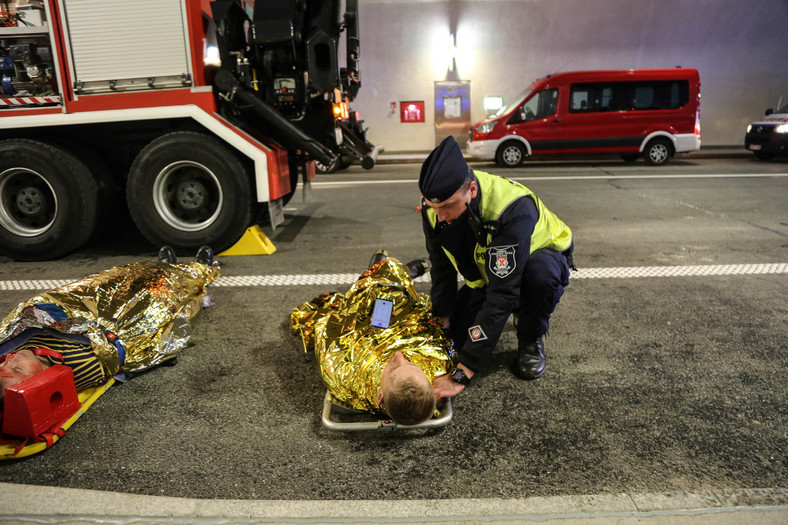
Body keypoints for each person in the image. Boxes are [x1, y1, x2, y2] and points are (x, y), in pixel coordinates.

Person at [419, 136, 574, 400]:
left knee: (538, 278)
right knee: (458, 336)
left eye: (446, 207)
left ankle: (530, 337)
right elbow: (441, 266)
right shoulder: (436, 207)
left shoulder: (511, 210)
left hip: (541, 256)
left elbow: (502, 294)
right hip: (491, 264)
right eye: (433, 207)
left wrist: (463, 372)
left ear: (472, 191)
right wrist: (443, 316)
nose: (439, 215)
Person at [0, 246, 219, 405]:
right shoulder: (79, 365)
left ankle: (165, 265)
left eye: (4, 365)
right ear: (41, 382)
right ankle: (200, 269)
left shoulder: (17, 352)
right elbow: (102, 342)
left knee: (130, 276)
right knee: (166, 294)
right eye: (17, 369)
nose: (11, 359)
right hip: (117, 321)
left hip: (91, 304)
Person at [291, 251, 454, 425]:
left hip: (362, 332)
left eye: (393, 370)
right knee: (396, 297)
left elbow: (330, 334)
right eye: (411, 365)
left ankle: (390, 272)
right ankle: (399, 274)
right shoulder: (439, 367)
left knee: (372, 294)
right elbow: (435, 329)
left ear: (379, 396)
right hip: (404, 325)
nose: (399, 357)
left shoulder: (345, 376)